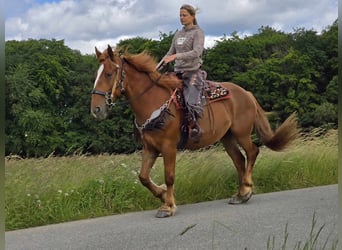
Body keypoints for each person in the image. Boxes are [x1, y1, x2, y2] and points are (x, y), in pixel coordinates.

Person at [162, 4, 205, 142]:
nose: (181, 18)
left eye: (184, 15)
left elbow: (197, 52)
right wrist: (158, 65)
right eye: (180, 15)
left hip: (192, 71)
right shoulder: (178, 34)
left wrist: (176, 57)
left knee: (191, 99)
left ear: (192, 16)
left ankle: (194, 127)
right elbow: (170, 53)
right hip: (177, 72)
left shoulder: (198, 32)